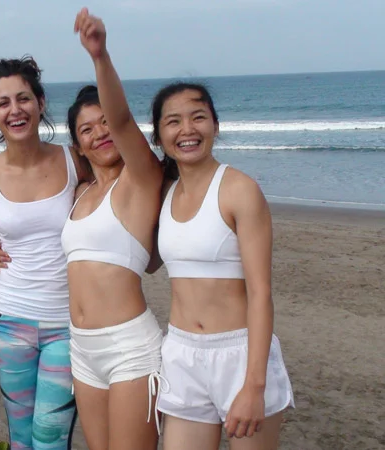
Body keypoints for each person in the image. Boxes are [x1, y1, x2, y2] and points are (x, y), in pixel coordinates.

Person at [151, 80, 295, 447]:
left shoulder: (239, 189)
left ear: (215, 125)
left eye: (198, 117)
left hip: (240, 354)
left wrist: (254, 385)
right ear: (159, 135)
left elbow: (261, 293)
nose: (187, 129)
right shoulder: (164, 195)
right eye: (173, 121)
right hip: (182, 354)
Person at [0, 55, 90, 450]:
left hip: (67, 325)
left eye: (23, 98)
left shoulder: (75, 161)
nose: (14, 110)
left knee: (51, 439)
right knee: (20, 439)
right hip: (9, 323)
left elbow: (117, 196)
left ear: (39, 102)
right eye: (3, 103)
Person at [63, 9, 168, 450]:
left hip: (129, 348)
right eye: (87, 129)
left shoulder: (141, 179)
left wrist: (100, 56)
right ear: (77, 145)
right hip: (81, 349)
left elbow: (123, 122)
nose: (99, 133)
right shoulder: (80, 193)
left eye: (103, 121)